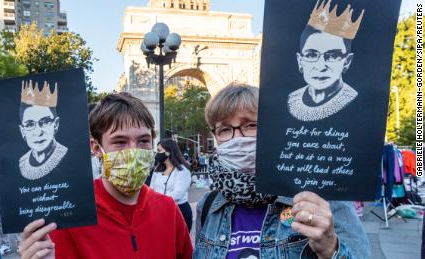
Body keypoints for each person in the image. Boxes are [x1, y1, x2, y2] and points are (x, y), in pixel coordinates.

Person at [193, 85, 370, 258]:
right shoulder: (209, 206)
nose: (237, 138)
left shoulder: (320, 196)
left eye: (251, 125)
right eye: (224, 129)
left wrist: (330, 248)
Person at [19, 93, 193, 259]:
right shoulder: (70, 216)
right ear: (96, 148)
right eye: (119, 142)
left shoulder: (168, 210)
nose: (133, 150)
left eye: (143, 141)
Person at [287, 1, 363, 122]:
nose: (321, 66)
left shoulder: (359, 103)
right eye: (311, 55)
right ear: (300, 61)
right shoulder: (290, 101)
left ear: (347, 62)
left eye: (333, 56)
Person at [19, 80, 68, 180]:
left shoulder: (69, 157)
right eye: (29, 125)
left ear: (56, 124)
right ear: (22, 131)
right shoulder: (22, 162)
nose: (38, 132)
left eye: (45, 122)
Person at [150, 138, 192, 231]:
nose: (157, 154)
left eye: (159, 150)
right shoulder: (158, 169)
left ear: (169, 152)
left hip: (178, 210)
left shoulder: (182, 170)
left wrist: (158, 202)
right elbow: (151, 188)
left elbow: (177, 194)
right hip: (159, 210)